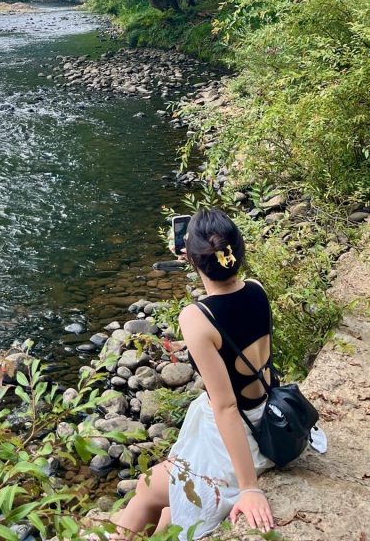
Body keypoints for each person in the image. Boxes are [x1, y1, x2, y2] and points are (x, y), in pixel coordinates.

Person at [107, 209, 275, 538]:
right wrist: (200, 262)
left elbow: (226, 406)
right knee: (169, 505)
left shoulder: (196, 317)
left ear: (195, 260)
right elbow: (232, 317)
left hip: (233, 443)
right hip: (266, 417)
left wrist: (249, 488)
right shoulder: (256, 289)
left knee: (144, 488)